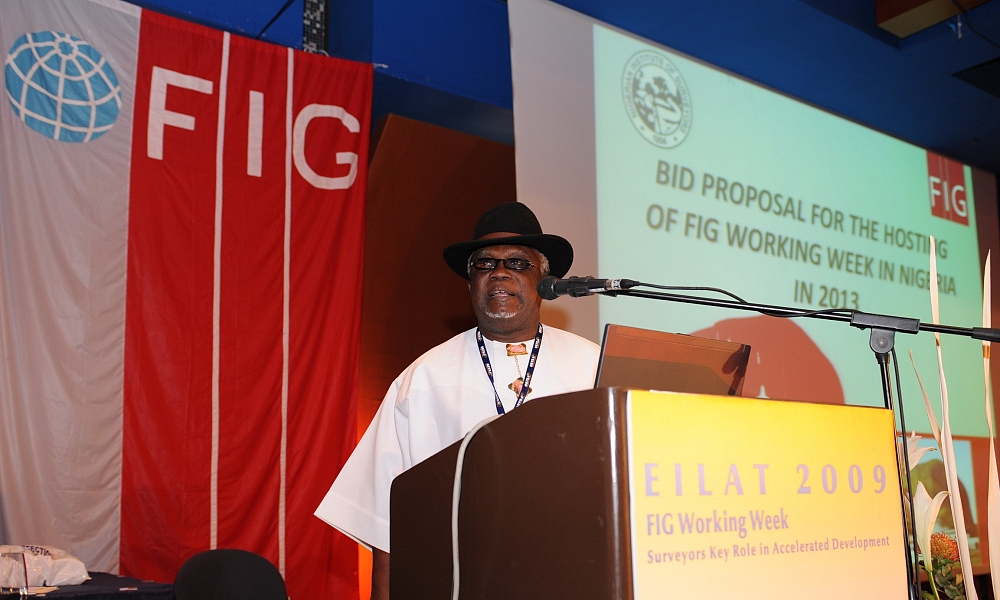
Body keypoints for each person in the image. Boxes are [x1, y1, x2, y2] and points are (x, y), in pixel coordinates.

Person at [314, 202, 600, 599]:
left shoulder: (592, 365)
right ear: (470, 283)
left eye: (518, 263)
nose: (499, 272)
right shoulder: (422, 379)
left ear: (544, 281)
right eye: (484, 264)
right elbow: (386, 523)